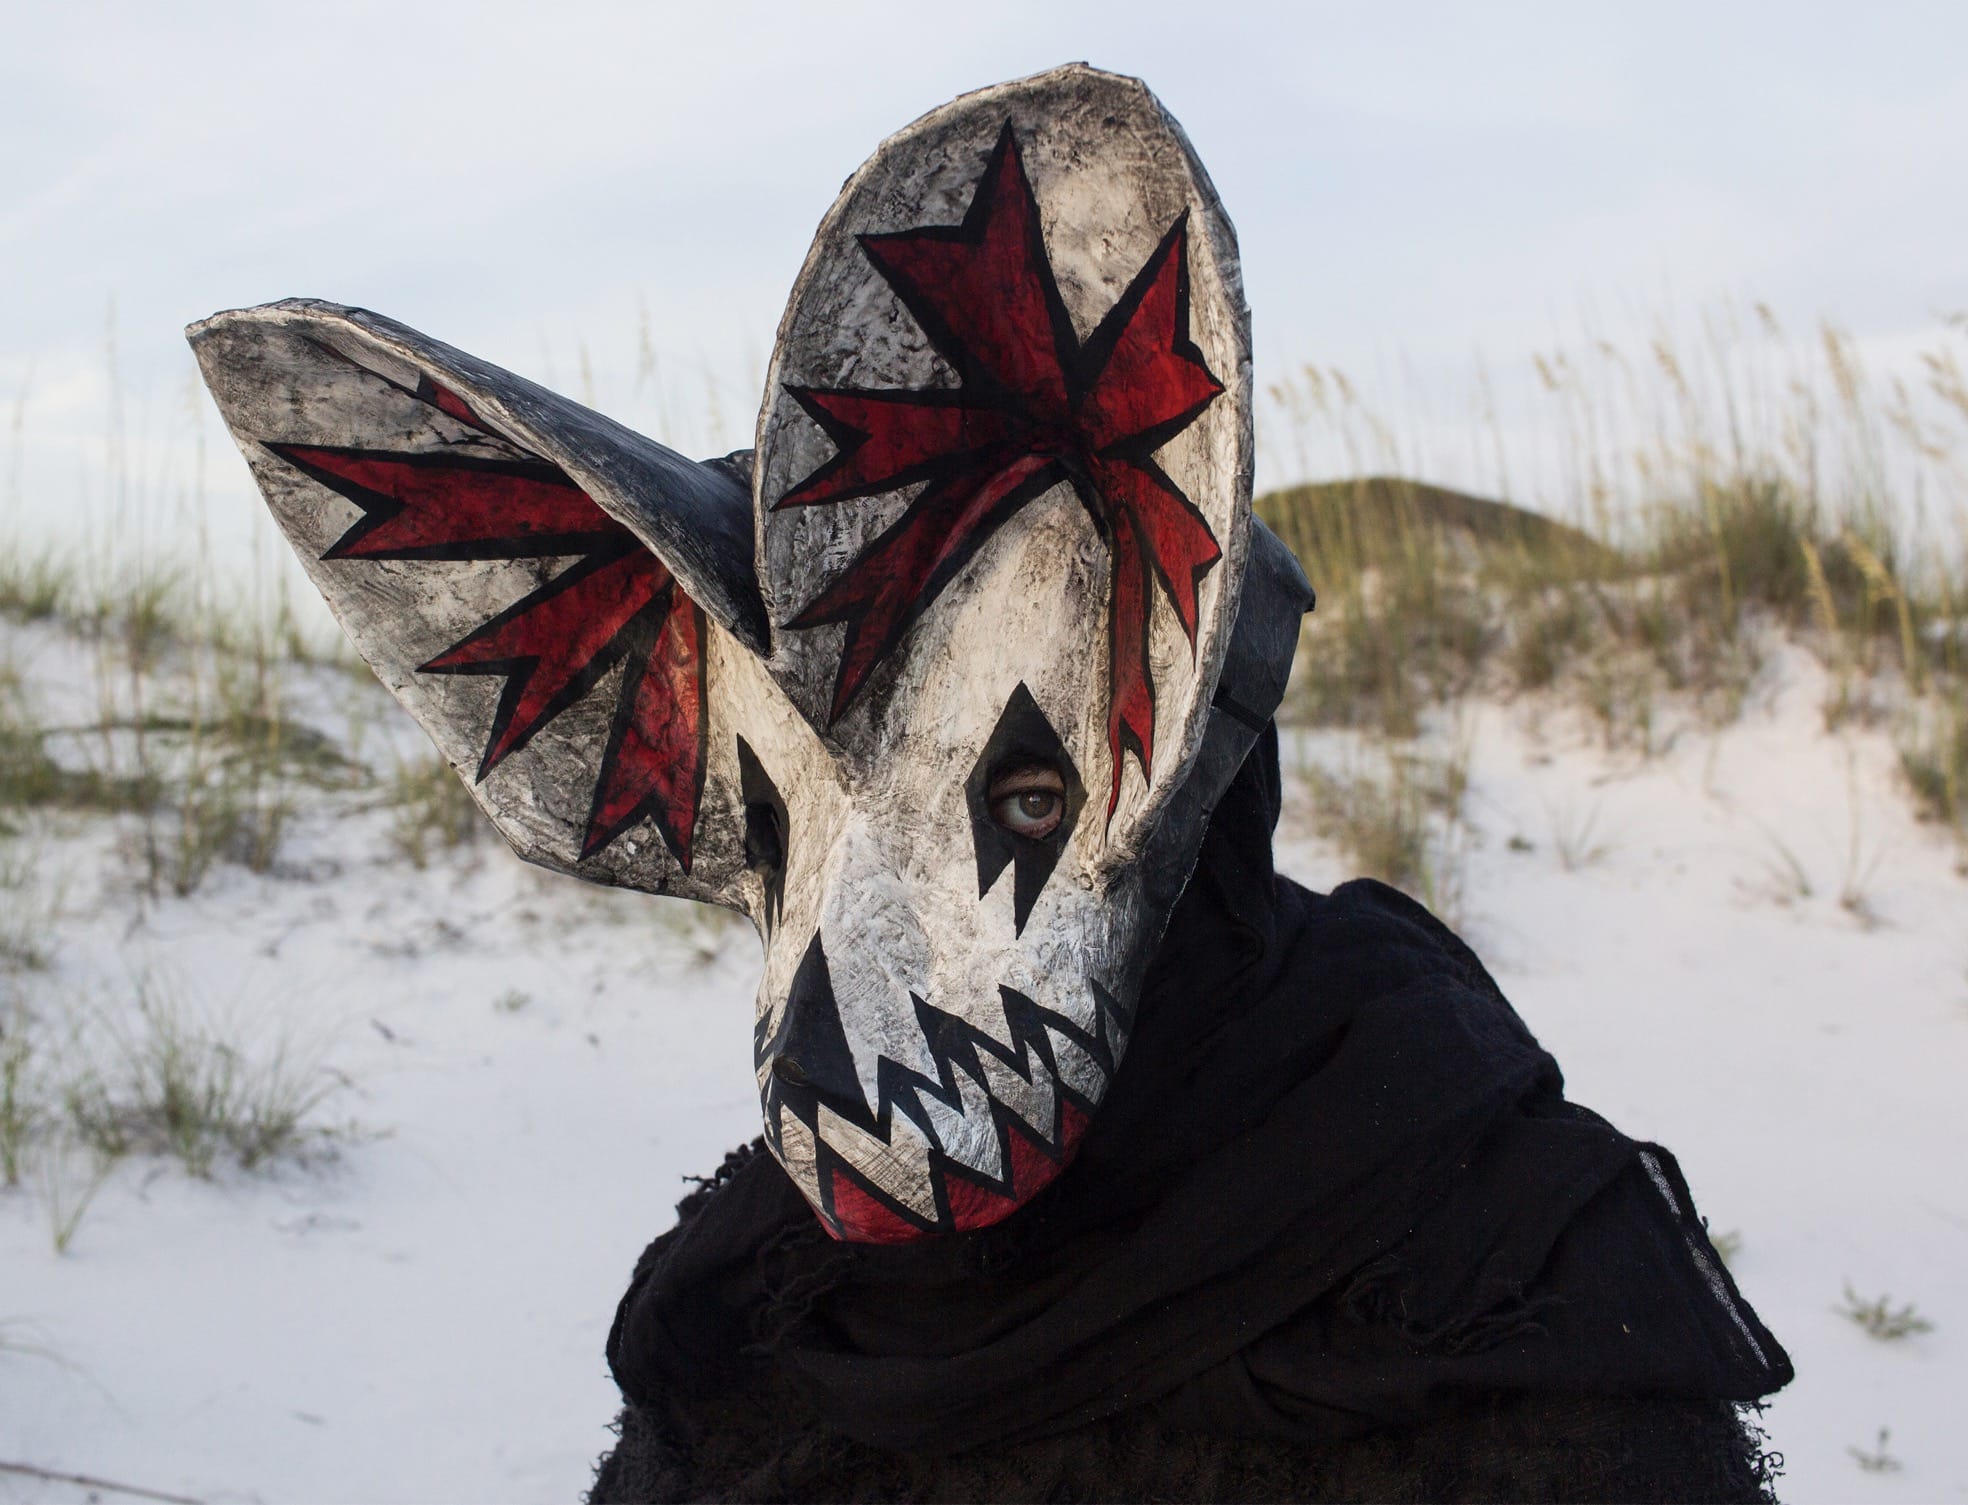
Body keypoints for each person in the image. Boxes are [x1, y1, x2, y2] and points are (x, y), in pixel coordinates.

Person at [191, 62, 1789, 1505]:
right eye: (779, 831)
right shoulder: (757, 1329)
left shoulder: (1493, 1301)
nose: (828, 1032)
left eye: (1025, 798)